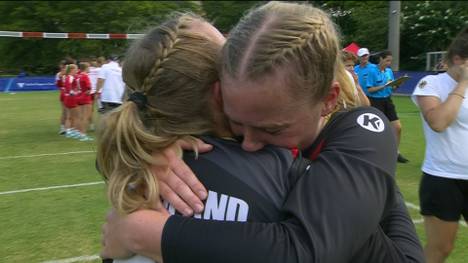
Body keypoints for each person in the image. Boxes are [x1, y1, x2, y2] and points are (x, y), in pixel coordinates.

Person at [100, 2, 423, 263]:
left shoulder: (139, 174)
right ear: (218, 93)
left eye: (270, 128)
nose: (252, 143)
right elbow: (305, 249)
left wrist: (145, 227)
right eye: (231, 52)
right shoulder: (285, 171)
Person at [411, 27, 468, 263]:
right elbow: (439, 122)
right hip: (443, 178)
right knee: (440, 249)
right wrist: (463, 84)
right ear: (459, 59)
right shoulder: (431, 84)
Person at [366, 50, 409, 163]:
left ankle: (395, 153)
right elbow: (370, 89)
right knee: (378, 129)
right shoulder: (371, 71)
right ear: (381, 59)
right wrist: (384, 86)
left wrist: (397, 85)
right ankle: (376, 153)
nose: (389, 63)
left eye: (390, 61)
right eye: (387, 60)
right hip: (375, 101)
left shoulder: (389, 71)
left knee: (397, 127)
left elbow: (391, 88)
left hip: (387, 100)